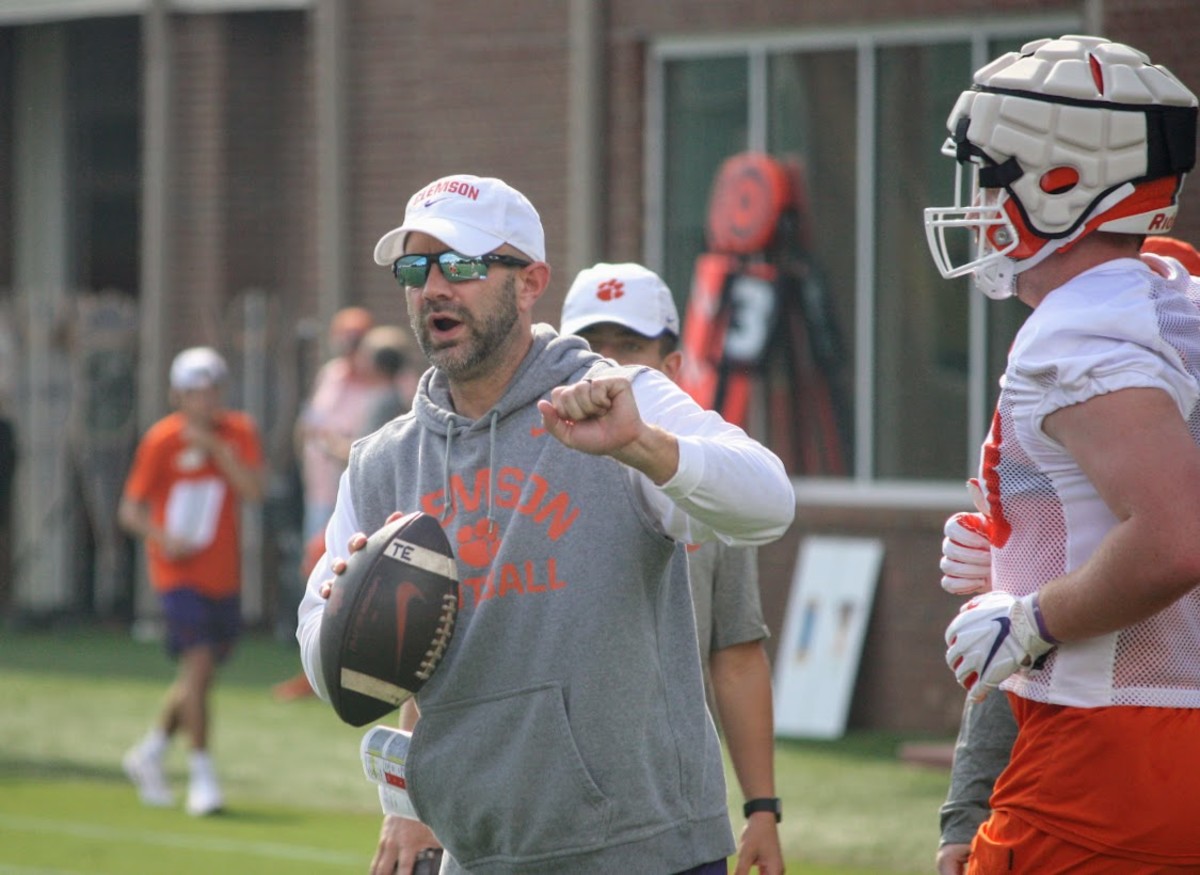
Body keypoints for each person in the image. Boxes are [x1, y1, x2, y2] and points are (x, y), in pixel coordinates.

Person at [296, 173, 795, 875]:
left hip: (648, 852)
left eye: (463, 265)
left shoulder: (622, 396)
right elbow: (319, 647)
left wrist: (641, 446)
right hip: (479, 854)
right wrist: (351, 611)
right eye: (417, 266)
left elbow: (771, 501)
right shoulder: (381, 462)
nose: (434, 286)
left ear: (530, 282)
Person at [924, 35, 1200, 872]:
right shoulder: (1168, 295)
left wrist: (1032, 617)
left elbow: (1173, 535)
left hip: (1108, 748)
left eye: (991, 174)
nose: (975, 201)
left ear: (1060, 184)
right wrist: (1025, 553)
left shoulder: (1079, 331)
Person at [560, 261, 784, 875]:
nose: (609, 365)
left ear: (671, 366)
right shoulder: (521, 473)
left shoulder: (711, 482)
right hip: (542, 818)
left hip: (673, 817)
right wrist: (407, 806)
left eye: (629, 347)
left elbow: (735, 651)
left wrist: (762, 807)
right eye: (589, 347)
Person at [119, 346, 266, 816]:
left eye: (212, 391)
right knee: (198, 665)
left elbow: (254, 491)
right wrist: (164, 537)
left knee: (198, 677)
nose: (205, 401)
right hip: (178, 572)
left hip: (223, 571)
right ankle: (203, 775)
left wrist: (219, 451)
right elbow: (131, 510)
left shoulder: (238, 431)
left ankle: (150, 752)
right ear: (177, 394)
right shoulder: (161, 440)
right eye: (195, 392)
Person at [295, 305, 377, 544]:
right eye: (344, 341)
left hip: (361, 497)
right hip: (321, 494)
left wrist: (340, 447)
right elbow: (309, 424)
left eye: (356, 342)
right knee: (317, 567)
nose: (349, 349)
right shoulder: (331, 374)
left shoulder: (384, 381)